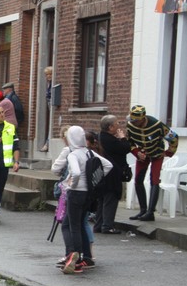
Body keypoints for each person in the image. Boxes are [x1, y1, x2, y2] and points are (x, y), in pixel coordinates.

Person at [55, 126, 112, 274]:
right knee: (80, 223)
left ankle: (74, 256)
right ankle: (84, 257)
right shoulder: (89, 152)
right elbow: (108, 165)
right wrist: (94, 180)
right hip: (88, 193)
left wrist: (72, 185)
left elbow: (75, 172)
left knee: (69, 225)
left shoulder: (73, 155)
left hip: (75, 193)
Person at [127, 105, 178, 221]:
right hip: (142, 154)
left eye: (136, 121)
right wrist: (136, 152)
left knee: (154, 180)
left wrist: (168, 153)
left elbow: (174, 138)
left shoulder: (157, 125)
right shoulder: (130, 126)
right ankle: (143, 210)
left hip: (157, 154)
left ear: (143, 118)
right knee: (138, 180)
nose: (134, 123)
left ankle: (150, 212)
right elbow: (129, 142)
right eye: (132, 120)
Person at [97, 115, 131, 234]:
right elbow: (125, 148)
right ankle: (107, 226)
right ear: (110, 127)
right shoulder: (109, 140)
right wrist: (123, 138)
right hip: (112, 174)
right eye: (117, 124)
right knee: (111, 198)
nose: (119, 126)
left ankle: (99, 225)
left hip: (103, 173)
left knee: (102, 199)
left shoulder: (101, 137)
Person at [40, 67, 53, 152]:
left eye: (50, 74)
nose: (48, 76)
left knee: (51, 126)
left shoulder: (53, 84)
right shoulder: (49, 84)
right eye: (46, 74)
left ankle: (47, 144)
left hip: (53, 107)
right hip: (50, 106)